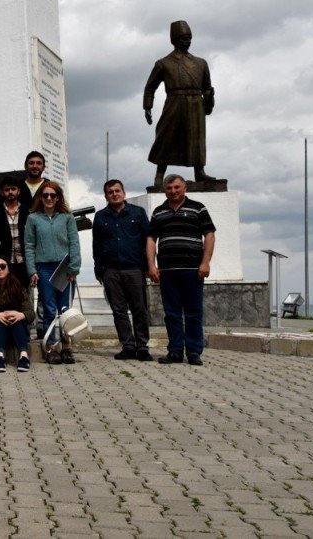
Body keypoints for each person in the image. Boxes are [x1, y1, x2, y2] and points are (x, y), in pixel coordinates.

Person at [146, 174, 216, 366]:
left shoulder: (198, 208)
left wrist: (205, 262)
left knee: (194, 313)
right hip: (167, 272)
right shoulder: (158, 212)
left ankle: (194, 352)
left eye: (177, 187)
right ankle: (175, 351)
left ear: (185, 188)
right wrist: (151, 266)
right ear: (164, 190)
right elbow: (151, 239)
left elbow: (209, 234)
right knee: (172, 314)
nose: (173, 191)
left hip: (192, 270)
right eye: (169, 188)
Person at [144, 20, 220, 188]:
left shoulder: (201, 63)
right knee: (166, 136)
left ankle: (199, 171)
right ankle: (159, 174)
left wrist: (208, 99)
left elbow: (207, 86)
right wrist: (147, 106)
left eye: (189, 38)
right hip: (174, 102)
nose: (187, 42)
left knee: (197, 138)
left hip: (195, 104)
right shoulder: (164, 63)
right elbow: (150, 87)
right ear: (174, 40)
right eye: (183, 38)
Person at [93, 179, 153, 361]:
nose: (114, 194)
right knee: (118, 310)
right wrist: (99, 269)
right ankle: (128, 346)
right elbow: (96, 244)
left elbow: (148, 240)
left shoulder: (138, 213)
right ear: (106, 196)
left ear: (124, 193)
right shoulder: (101, 216)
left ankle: (142, 347)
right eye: (110, 192)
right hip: (111, 270)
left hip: (134, 268)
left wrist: (148, 266)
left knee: (139, 309)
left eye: (117, 191)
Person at [24, 181, 81, 364]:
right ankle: (51, 348)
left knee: (65, 310)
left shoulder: (67, 217)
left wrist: (74, 267)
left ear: (58, 198)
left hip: (64, 267)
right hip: (44, 267)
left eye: (53, 195)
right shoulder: (33, 218)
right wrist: (32, 270)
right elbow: (29, 245)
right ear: (40, 197)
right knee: (49, 309)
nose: (49, 198)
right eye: (45, 195)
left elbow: (74, 243)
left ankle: (66, 348)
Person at [0, 255, 35, 372]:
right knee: (0, 321)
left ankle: (24, 356)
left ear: (8, 269)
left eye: (3, 266)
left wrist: (21, 315)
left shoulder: (19, 288)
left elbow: (30, 312)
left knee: (15, 320)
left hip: (17, 331)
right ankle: (0, 358)